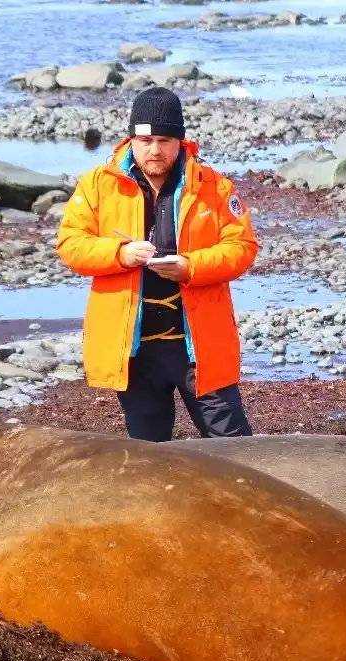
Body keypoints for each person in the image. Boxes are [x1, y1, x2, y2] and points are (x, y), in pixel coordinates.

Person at [56, 86, 258, 442]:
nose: (154, 150)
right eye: (145, 139)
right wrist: (120, 254)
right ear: (131, 138)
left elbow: (241, 247)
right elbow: (71, 245)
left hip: (198, 348)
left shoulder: (214, 187)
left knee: (235, 449)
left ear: (181, 141)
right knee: (148, 461)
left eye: (164, 139)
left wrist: (191, 267)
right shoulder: (97, 185)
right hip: (134, 351)